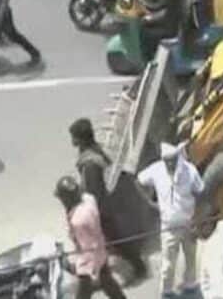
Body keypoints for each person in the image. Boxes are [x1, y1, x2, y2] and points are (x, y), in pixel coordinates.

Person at [70, 118, 148, 281]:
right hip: (102, 207)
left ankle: (138, 267)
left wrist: (90, 213)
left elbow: (94, 192)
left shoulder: (90, 164)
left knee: (114, 240)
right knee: (109, 240)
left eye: (74, 137)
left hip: (100, 210)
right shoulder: (91, 150)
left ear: (81, 138)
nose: (72, 140)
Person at [137, 142, 204, 298]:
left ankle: (190, 286)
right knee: (168, 264)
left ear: (178, 158)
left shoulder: (189, 170)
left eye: (173, 160)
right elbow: (138, 181)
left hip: (189, 224)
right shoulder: (156, 170)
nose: (170, 164)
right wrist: (149, 202)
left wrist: (198, 219)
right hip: (168, 227)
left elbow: (200, 192)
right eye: (167, 161)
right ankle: (166, 292)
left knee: (191, 258)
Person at [54, 176, 128, 299]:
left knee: (84, 291)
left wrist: (76, 266)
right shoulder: (89, 200)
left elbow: (87, 248)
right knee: (108, 284)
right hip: (100, 249)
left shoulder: (78, 220)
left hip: (89, 259)